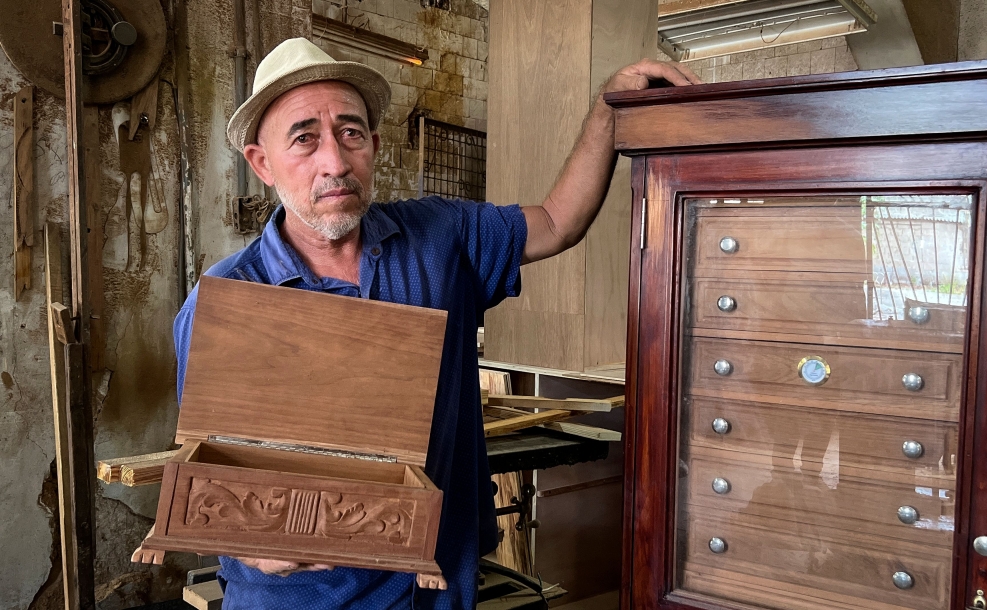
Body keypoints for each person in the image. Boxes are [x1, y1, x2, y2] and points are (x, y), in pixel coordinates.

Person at [164, 36, 698, 609]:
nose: (335, 162)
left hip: (437, 586)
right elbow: (212, 471)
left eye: (351, 133)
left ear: (373, 143)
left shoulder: (440, 237)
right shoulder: (229, 299)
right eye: (304, 139)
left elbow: (556, 222)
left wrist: (607, 112)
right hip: (304, 598)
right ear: (261, 163)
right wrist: (251, 543)